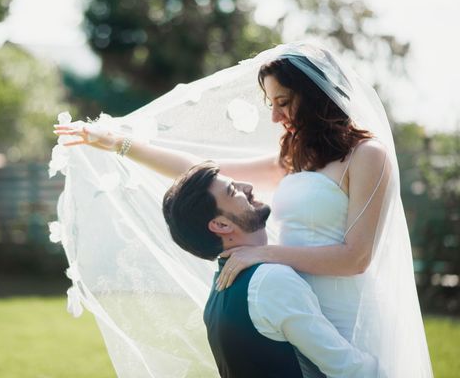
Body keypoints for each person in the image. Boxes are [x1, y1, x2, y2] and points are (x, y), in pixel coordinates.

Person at [52, 42, 432, 377]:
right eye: (272, 104)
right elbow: (202, 169)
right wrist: (119, 143)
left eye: (283, 102)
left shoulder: (367, 156)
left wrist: (263, 254)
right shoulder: (294, 156)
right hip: (293, 312)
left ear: (317, 95)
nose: (275, 117)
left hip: (349, 316)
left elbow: (356, 258)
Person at [162, 160, 378, 378]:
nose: (247, 186)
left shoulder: (217, 293)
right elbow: (349, 369)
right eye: (232, 190)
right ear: (221, 225)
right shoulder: (271, 280)